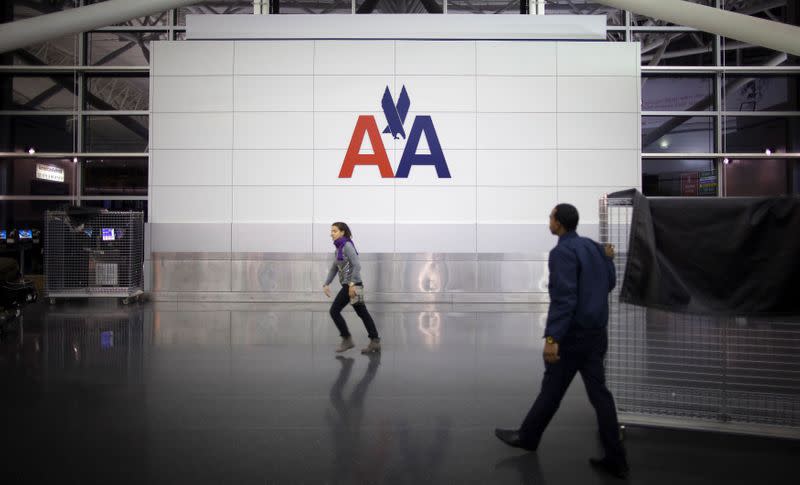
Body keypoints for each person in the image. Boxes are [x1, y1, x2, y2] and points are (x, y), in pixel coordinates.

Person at [494, 203, 629, 479]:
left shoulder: (562, 252)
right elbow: (609, 283)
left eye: (550, 217)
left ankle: (528, 436)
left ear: (559, 223)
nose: (549, 221)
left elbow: (564, 298)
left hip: (572, 337)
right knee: (598, 395)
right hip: (596, 335)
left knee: (553, 388)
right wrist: (608, 260)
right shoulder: (593, 247)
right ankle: (616, 458)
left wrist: (553, 337)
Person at [323, 222, 381, 354]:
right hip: (350, 285)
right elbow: (334, 268)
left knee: (334, 311)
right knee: (362, 312)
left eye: (334, 231)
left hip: (353, 286)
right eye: (331, 231)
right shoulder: (338, 249)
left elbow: (357, 265)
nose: (331, 233)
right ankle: (375, 341)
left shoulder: (347, 246)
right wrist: (326, 284)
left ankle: (347, 339)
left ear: (342, 232)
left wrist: (351, 285)